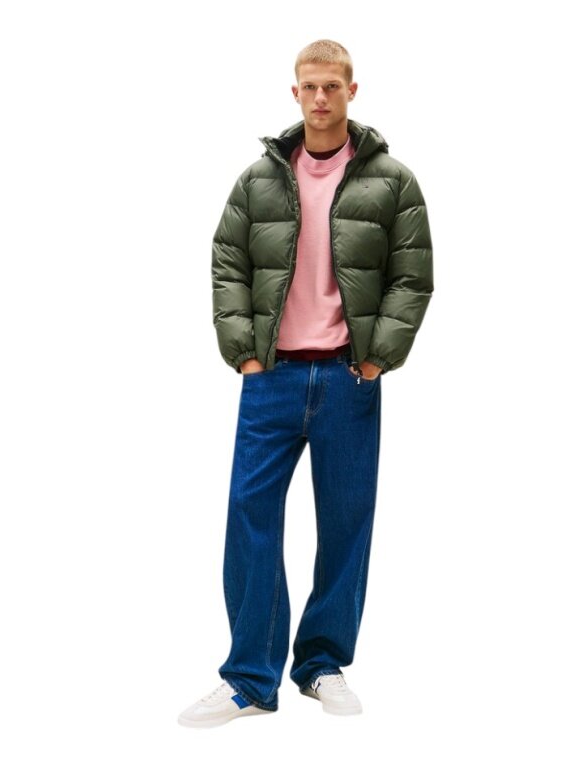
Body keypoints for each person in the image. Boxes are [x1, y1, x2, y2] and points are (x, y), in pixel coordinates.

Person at [178, 39, 434, 728]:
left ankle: (321, 664)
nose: (320, 98)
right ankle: (250, 677)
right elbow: (228, 261)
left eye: (332, 86)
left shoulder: (393, 181)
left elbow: (412, 276)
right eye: (309, 87)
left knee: (346, 523)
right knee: (249, 518)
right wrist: (246, 356)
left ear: (352, 91)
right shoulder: (259, 180)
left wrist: (376, 359)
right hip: (273, 378)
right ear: (295, 93)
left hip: (350, 377)